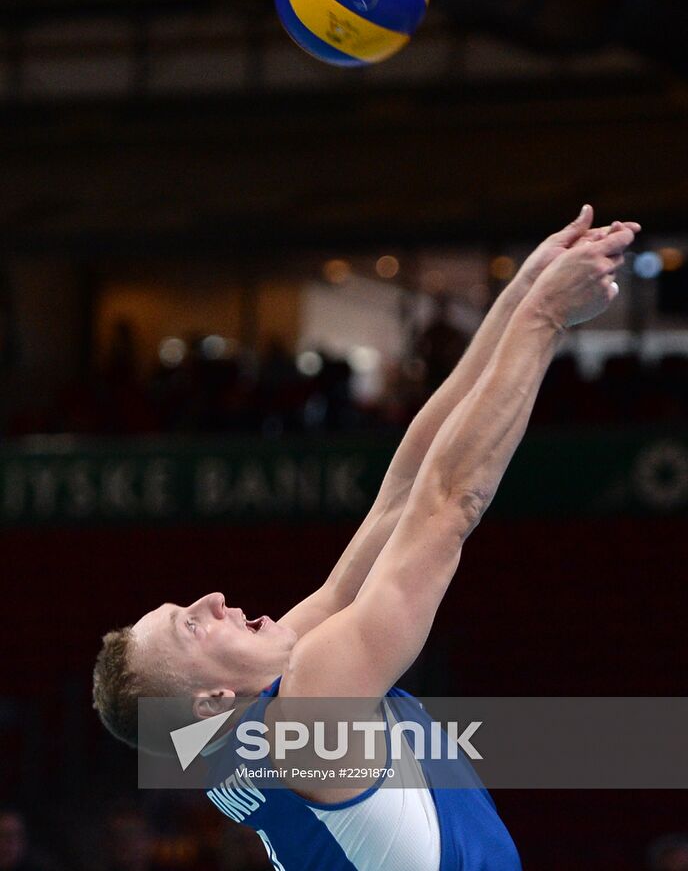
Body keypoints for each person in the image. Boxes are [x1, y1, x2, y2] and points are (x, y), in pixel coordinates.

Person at [93, 207, 639, 871]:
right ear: (209, 698)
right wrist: (545, 319)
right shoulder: (310, 711)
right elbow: (446, 506)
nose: (211, 599)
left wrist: (519, 296)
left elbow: (402, 493)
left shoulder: (246, 719)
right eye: (191, 626)